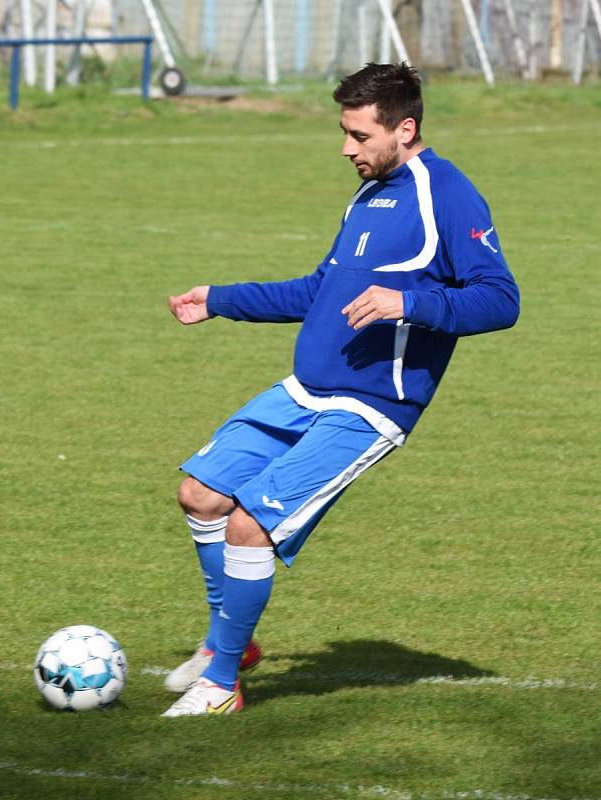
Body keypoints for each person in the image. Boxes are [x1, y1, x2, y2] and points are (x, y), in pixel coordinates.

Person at [162, 62, 520, 717]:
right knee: (200, 494)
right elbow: (316, 291)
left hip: (370, 407)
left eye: (358, 135)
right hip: (305, 391)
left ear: (403, 129)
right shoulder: (366, 195)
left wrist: (407, 302)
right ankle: (229, 647)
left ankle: (219, 690)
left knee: (248, 528)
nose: (346, 148)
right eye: (344, 133)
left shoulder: (446, 192)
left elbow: (499, 300)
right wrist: (221, 299)